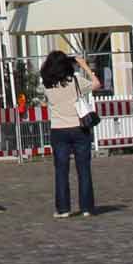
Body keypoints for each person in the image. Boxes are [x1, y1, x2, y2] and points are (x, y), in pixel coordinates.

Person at [39, 50, 99, 219]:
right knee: (84, 169)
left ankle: (63, 208)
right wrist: (83, 65)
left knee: (61, 171)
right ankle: (86, 207)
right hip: (79, 128)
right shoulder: (76, 81)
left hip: (58, 129)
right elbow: (96, 84)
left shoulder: (46, 85)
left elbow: (44, 97)